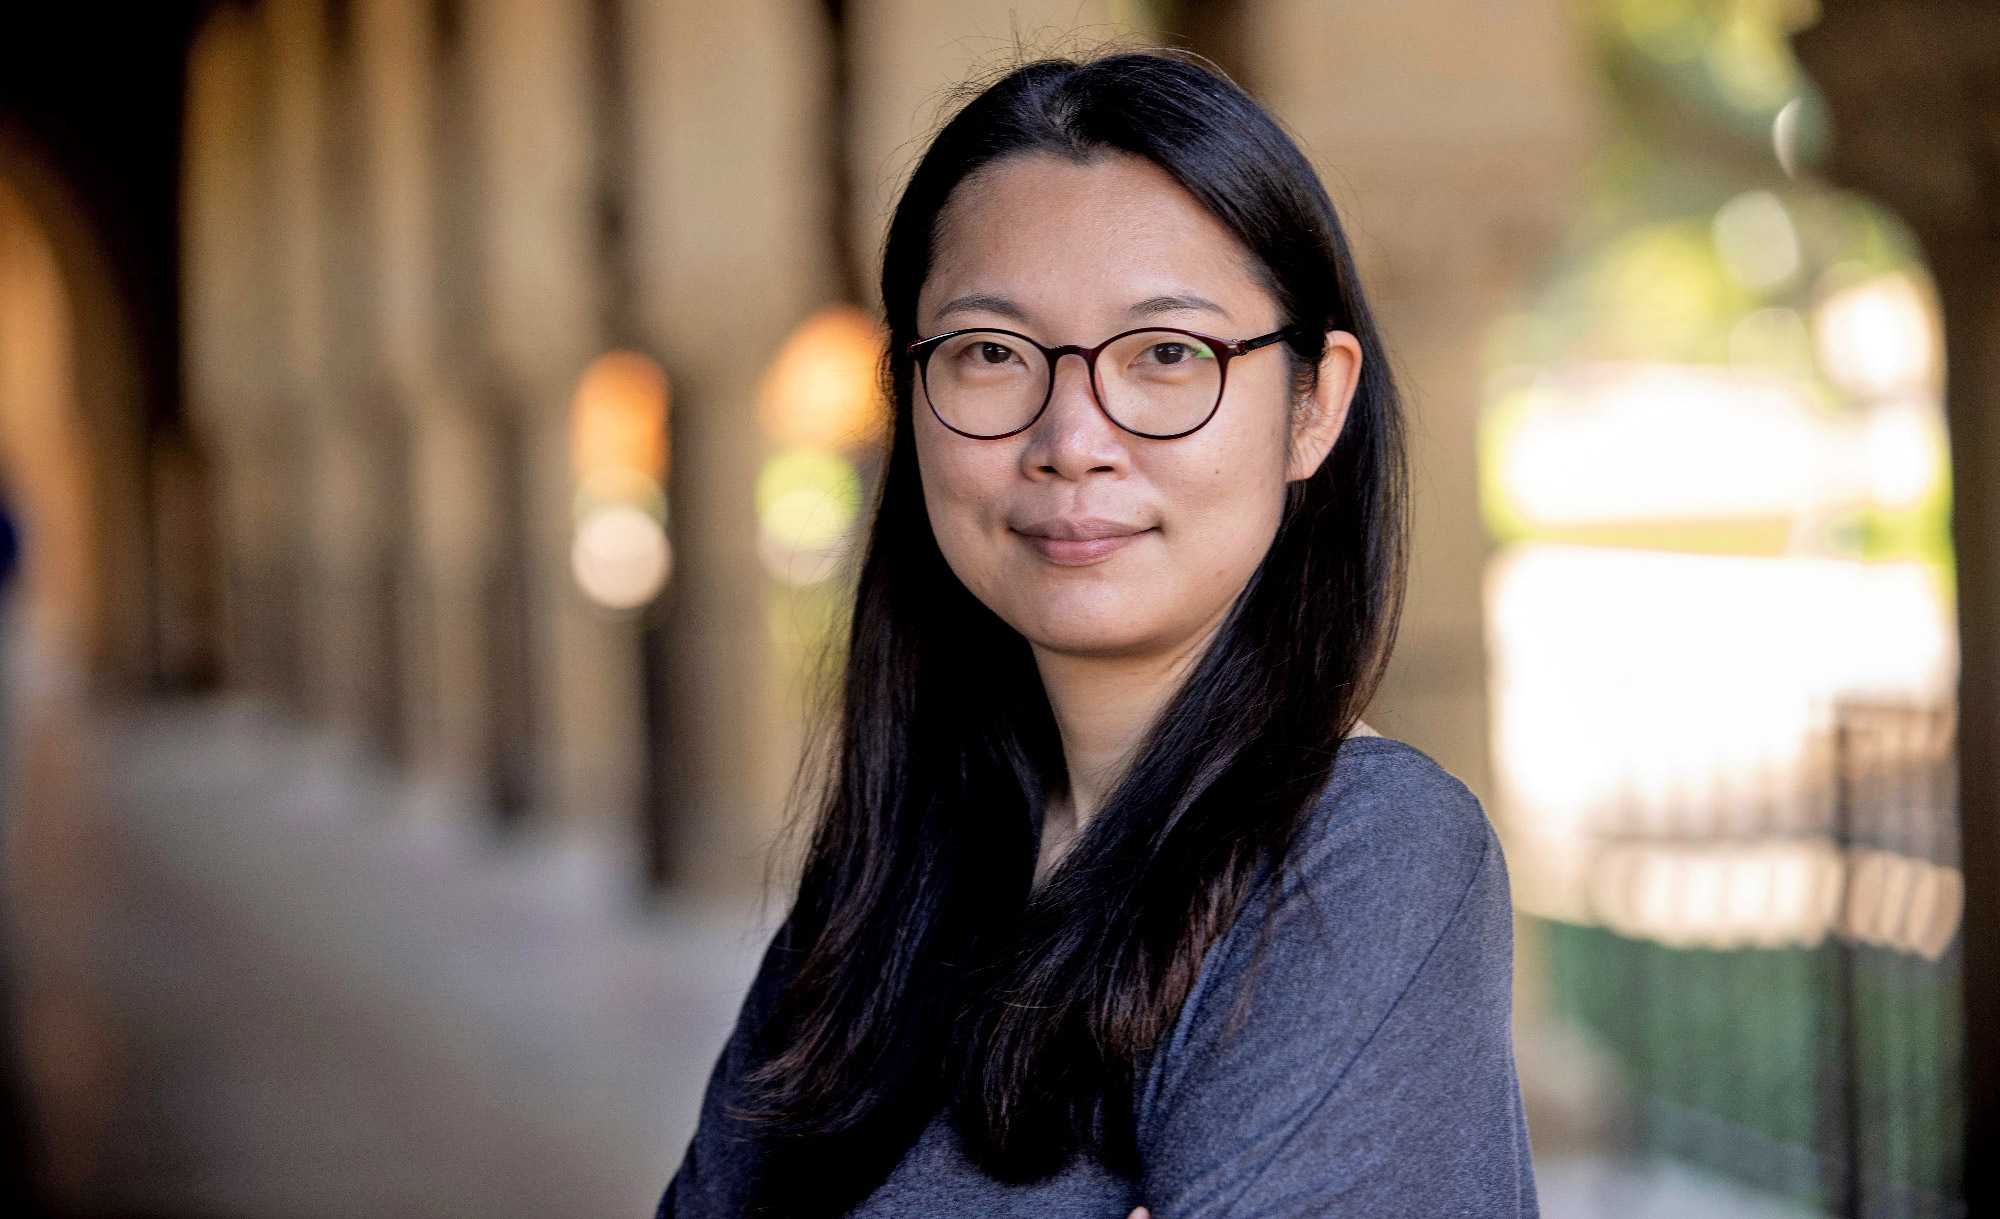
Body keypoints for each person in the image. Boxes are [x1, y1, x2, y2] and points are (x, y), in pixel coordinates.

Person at [661, 51, 1534, 1218]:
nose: (1071, 437)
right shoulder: (896, 868)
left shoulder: (1362, 861)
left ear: (1313, 403)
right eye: (988, 354)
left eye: (1166, 354)